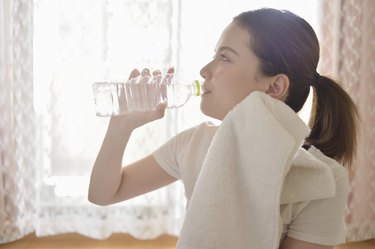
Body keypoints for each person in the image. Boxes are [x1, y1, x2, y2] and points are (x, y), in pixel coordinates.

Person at [88, 8, 358, 249]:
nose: (205, 70)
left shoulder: (320, 179)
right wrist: (121, 126)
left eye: (225, 58)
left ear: (274, 86)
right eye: (213, 56)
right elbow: (103, 193)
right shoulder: (193, 143)